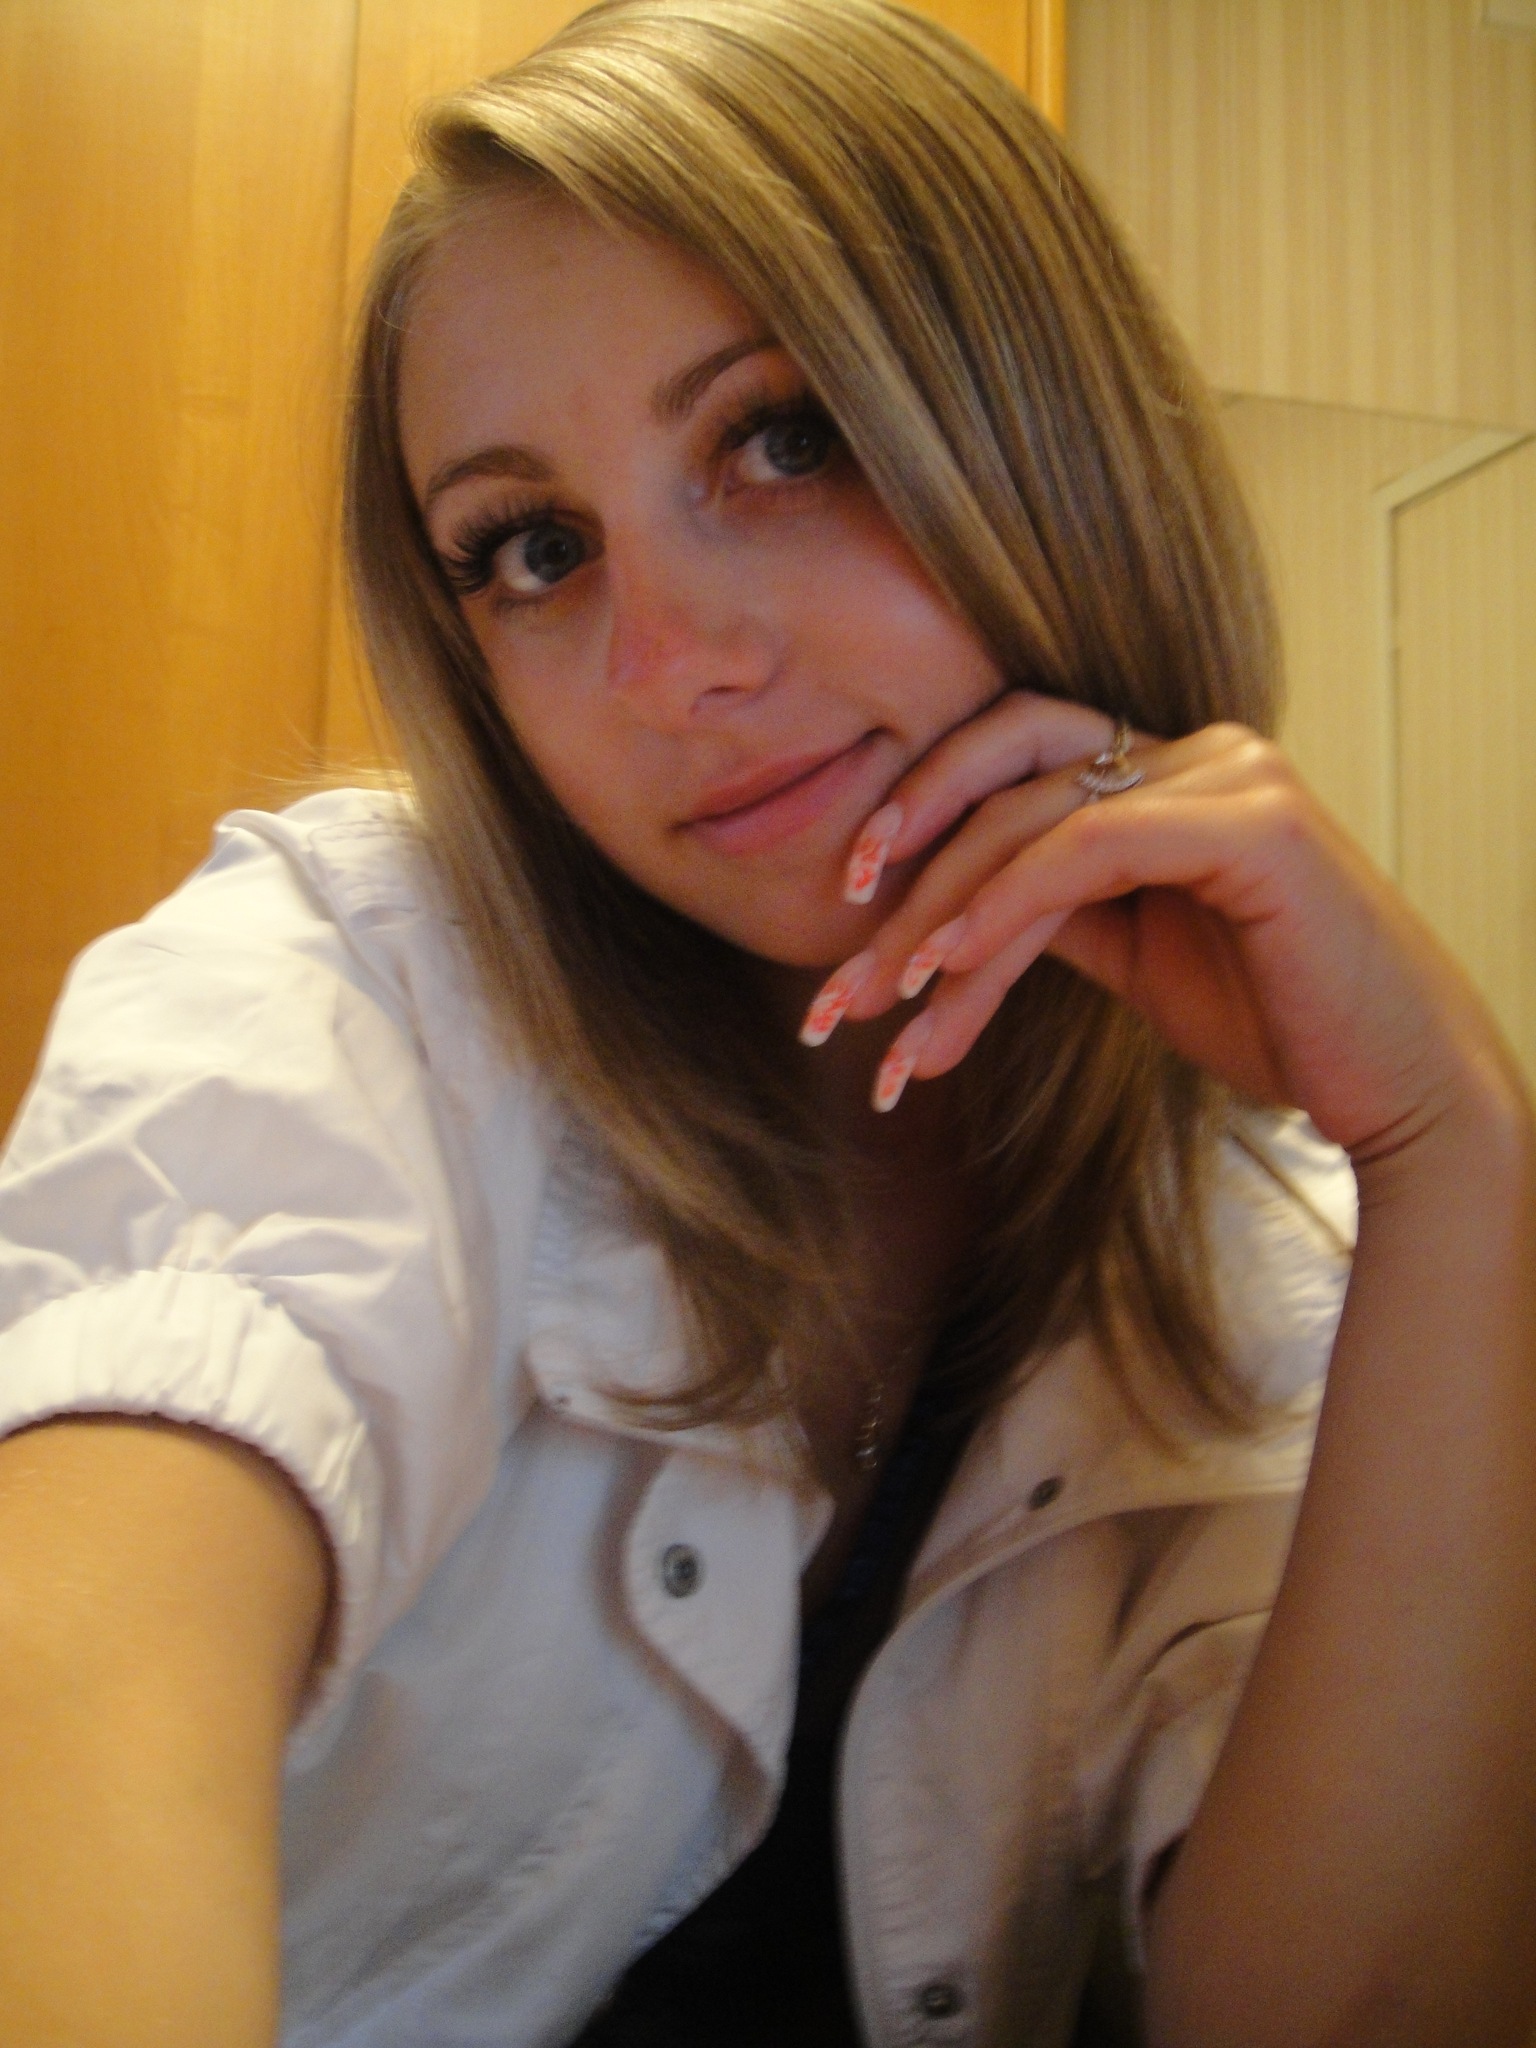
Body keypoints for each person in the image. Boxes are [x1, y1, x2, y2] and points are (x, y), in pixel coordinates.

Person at [0, 1, 1532, 2042]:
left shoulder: (1258, 1252)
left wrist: (1455, 1155)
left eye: (783, 439)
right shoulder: (351, 982)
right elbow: (73, 1672)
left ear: (1051, 436)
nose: (667, 665)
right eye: (534, 550)